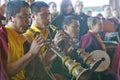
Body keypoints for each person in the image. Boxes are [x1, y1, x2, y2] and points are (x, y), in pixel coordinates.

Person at [5, 1, 47, 80]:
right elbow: (6, 72)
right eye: (24, 16)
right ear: (10, 18)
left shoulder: (23, 37)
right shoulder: (3, 36)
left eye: (29, 17)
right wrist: (31, 53)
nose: (28, 21)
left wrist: (47, 56)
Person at [23, 1, 65, 80]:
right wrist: (54, 44)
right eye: (44, 15)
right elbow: (36, 68)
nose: (48, 18)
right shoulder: (28, 37)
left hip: (51, 72)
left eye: (49, 14)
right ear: (33, 16)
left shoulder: (49, 31)